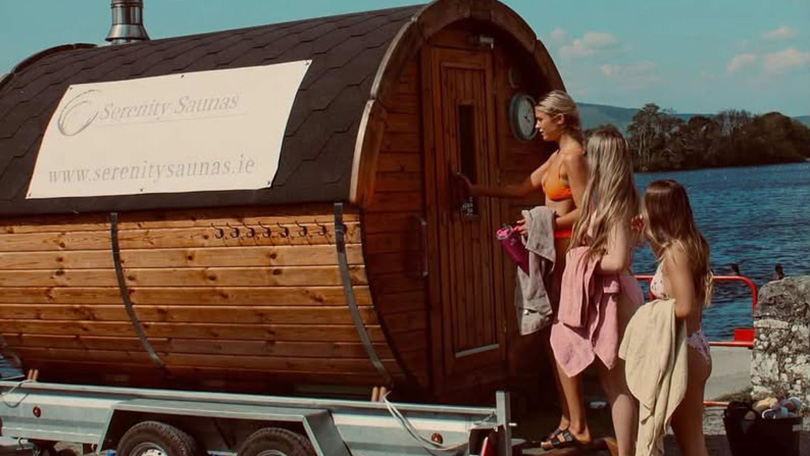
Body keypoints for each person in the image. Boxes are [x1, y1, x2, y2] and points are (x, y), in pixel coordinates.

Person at [459, 89, 587, 445]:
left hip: (564, 255)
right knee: (550, 336)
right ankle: (567, 418)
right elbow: (520, 189)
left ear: (559, 120)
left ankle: (579, 425)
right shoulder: (556, 156)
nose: (537, 128)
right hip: (548, 257)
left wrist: (542, 224)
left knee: (562, 337)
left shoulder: (575, 157)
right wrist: (475, 190)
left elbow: (587, 211)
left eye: (542, 121)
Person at [545, 127, 642, 453]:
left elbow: (616, 259)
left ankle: (629, 451)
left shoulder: (614, 204)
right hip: (609, 294)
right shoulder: (615, 199)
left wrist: (579, 260)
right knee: (612, 381)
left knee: (617, 383)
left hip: (615, 295)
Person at [642, 179, 713, 456]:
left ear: (657, 211)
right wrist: (648, 235)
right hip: (694, 345)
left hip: (684, 351)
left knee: (691, 444)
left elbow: (683, 307)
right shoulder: (686, 245)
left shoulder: (675, 253)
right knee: (691, 440)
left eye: (646, 206)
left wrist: (648, 315)